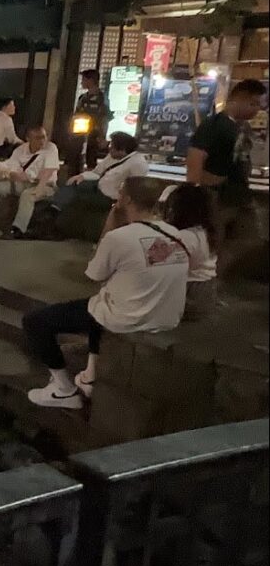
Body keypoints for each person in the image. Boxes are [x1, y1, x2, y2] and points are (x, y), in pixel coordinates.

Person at [21, 177, 189, 409]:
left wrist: (110, 223)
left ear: (126, 199)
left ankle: (63, 389)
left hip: (128, 317)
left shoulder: (119, 237)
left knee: (36, 321)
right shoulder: (176, 234)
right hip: (166, 316)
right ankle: (90, 375)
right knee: (100, 301)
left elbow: (94, 274)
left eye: (120, 193)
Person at [186, 78, 267, 276]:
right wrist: (195, 192)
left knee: (250, 237)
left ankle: (219, 275)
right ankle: (206, 279)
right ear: (238, 99)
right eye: (253, 103)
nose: (257, 109)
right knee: (213, 242)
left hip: (240, 195)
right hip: (218, 197)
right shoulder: (214, 125)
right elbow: (196, 157)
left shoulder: (242, 128)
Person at [0, 125, 61, 240]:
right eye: (37, 138)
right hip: (24, 182)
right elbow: (11, 167)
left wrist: (39, 187)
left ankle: (18, 229)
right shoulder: (20, 150)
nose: (42, 141)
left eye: (44, 137)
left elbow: (49, 170)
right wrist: (12, 174)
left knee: (28, 195)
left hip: (46, 184)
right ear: (28, 139)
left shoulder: (51, 148)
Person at [47, 131, 148, 233]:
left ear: (122, 150)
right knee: (72, 185)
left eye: (112, 147)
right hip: (98, 186)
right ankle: (54, 208)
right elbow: (98, 172)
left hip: (110, 196)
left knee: (76, 197)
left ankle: (56, 220)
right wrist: (81, 176)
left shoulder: (138, 163)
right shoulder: (112, 156)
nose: (109, 148)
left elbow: (136, 188)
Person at [164, 184, 220, 321]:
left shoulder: (186, 236)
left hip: (191, 293)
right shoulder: (205, 231)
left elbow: (160, 263)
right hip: (206, 289)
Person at [72, 69, 111, 172]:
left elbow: (105, 118)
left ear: (91, 80)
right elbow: (76, 114)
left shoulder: (101, 98)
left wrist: (102, 136)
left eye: (84, 80)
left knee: (91, 159)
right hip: (80, 133)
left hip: (94, 134)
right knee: (76, 158)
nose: (82, 82)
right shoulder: (82, 98)